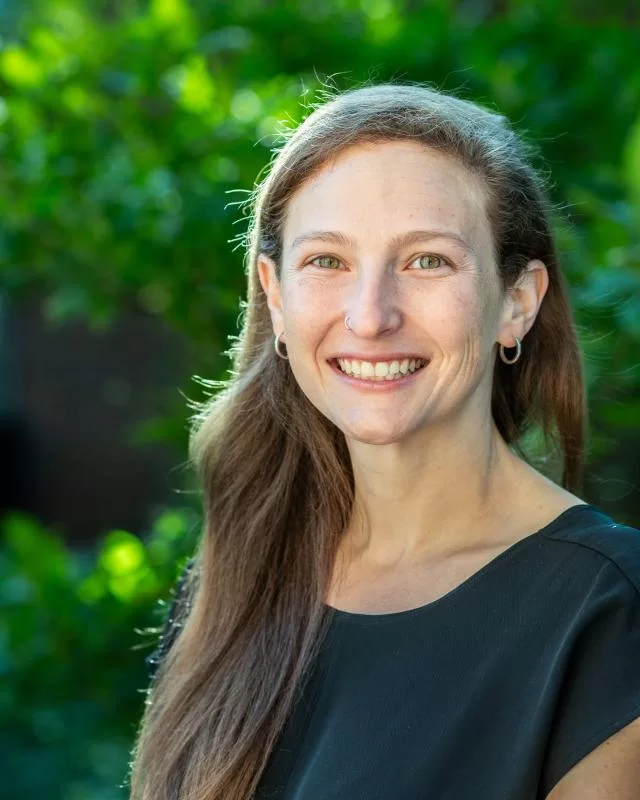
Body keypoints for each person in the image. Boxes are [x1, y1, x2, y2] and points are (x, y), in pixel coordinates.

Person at [128, 83, 640, 800]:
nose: (370, 317)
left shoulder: (610, 612)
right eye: (327, 262)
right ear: (275, 297)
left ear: (516, 303)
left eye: (427, 260)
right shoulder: (234, 581)